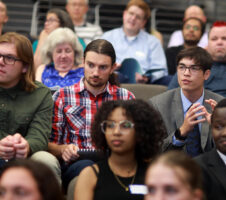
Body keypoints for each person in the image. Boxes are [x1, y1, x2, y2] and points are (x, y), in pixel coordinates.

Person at [46, 39, 135, 189]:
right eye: (91, 65)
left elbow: (136, 141)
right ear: (83, 62)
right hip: (76, 164)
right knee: (89, 167)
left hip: (114, 161)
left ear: (113, 68)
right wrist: (63, 150)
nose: (95, 73)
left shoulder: (126, 98)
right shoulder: (62, 96)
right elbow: (47, 144)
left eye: (103, 67)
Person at [74, 99, 166, 200]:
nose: (116, 132)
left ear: (141, 131)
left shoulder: (154, 174)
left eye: (125, 125)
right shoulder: (90, 175)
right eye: (110, 125)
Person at [150, 47, 223, 157]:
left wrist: (219, 129)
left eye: (194, 68)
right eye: (182, 67)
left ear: (206, 74)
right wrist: (181, 133)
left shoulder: (220, 104)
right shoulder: (157, 105)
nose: (186, 73)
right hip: (173, 169)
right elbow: (153, 151)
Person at [0, 32, 53, 165]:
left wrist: (26, 146)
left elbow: (39, 135)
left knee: (46, 160)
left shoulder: (40, 94)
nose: (0, 62)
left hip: (23, 160)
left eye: (9, 58)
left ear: (25, 67)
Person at [101, 0, 168, 85]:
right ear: (124, 14)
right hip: (114, 79)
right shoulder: (107, 37)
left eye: (138, 17)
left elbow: (161, 69)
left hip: (145, 84)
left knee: (170, 80)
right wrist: (111, 67)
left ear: (143, 23)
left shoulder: (153, 42)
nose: (133, 18)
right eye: (131, 13)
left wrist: (147, 77)